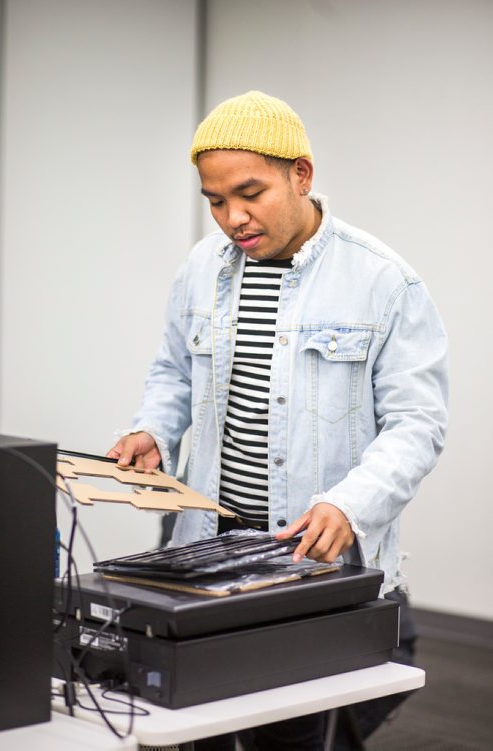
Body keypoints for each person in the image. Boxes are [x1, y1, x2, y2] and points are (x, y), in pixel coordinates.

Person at [107, 91, 448, 750]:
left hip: (308, 566)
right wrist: (152, 426)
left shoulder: (383, 281)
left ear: (302, 175)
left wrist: (350, 504)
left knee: (298, 733)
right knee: (197, 727)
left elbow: (418, 423)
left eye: (250, 192)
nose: (232, 217)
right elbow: (173, 372)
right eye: (214, 199)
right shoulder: (201, 270)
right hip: (205, 551)